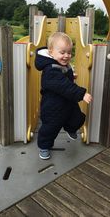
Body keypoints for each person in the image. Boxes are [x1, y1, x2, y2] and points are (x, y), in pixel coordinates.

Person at [34, 32, 92, 160]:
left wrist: (72, 76)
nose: (66, 56)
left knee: (77, 117)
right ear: (51, 52)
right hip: (52, 106)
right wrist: (81, 94)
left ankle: (71, 128)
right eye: (62, 52)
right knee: (50, 128)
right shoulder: (49, 69)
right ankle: (44, 146)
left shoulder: (60, 63)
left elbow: (63, 76)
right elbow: (63, 85)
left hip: (67, 102)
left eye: (69, 53)